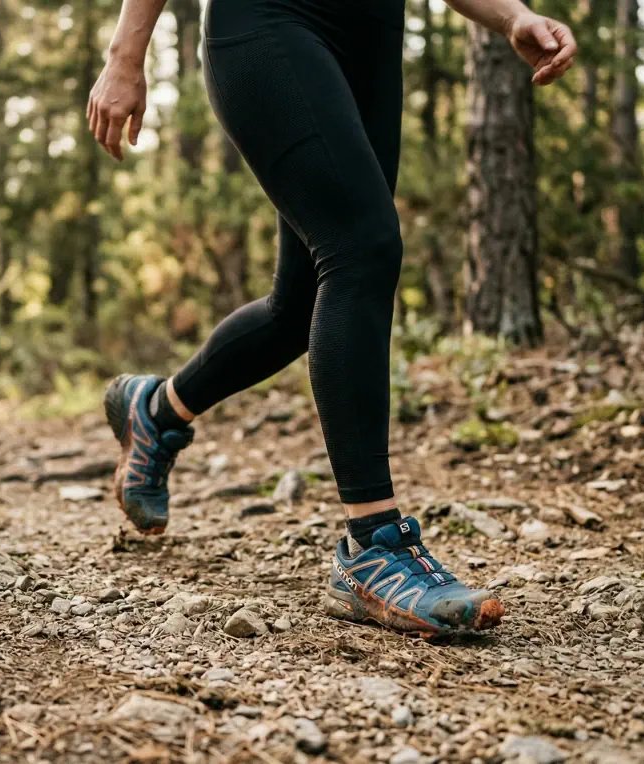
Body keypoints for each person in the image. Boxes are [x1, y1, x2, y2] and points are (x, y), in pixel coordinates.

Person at [88, 0, 576, 638]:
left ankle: (156, 411)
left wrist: (512, 17)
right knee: (362, 249)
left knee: (301, 306)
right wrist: (126, 53)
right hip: (267, 20)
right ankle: (374, 545)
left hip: (369, 38)